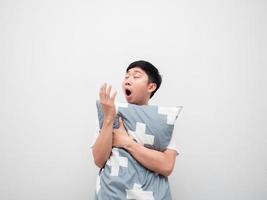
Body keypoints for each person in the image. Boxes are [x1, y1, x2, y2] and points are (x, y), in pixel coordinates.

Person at [91, 60, 180, 199]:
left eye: (136, 76)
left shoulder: (162, 121)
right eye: (126, 77)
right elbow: (99, 160)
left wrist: (127, 142)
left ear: (151, 87)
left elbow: (167, 166)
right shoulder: (111, 113)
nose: (128, 80)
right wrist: (108, 119)